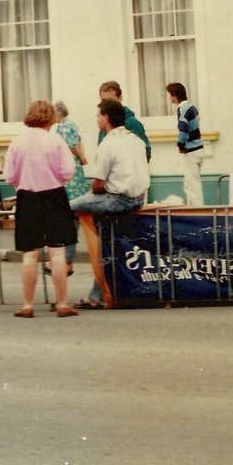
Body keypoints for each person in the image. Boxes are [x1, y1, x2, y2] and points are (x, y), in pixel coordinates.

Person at [70, 98, 151, 309]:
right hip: (138, 198)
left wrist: (92, 195)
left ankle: (66, 260)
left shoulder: (108, 143)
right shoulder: (136, 140)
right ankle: (95, 295)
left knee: (70, 207)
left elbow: (98, 185)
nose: (96, 120)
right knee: (107, 244)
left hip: (117, 200)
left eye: (98, 115)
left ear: (105, 118)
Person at [4, 100, 78, 318]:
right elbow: (67, 172)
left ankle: (27, 305)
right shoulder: (56, 141)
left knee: (30, 254)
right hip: (54, 197)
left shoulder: (17, 142)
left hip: (28, 198)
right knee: (57, 253)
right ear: (50, 118)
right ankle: (62, 303)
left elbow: (9, 176)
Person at [50, 100, 89, 279]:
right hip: (71, 173)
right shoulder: (65, 125)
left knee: (69, 213)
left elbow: (72, 146)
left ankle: (66, 259)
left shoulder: (65, 126)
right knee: (71, 214)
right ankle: (65, 259)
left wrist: (81, 157)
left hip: (70, 174)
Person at [166, 82, 204, 206]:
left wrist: (180, 145)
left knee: (192, 185)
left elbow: (183, 129)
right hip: (199, 148)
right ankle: (196, 210)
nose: (170, 98)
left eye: (170, 95)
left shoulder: (182, 109)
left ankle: (198, 213)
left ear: (175, 97)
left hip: (191, 150)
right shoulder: (191, 106)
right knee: (193, 182)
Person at [98, 80, 151, 162]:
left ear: (120, 98)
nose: (107, 105)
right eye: (104, 101)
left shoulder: (132, 123)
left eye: (111, 100)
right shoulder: (104, 125)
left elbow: (146, 152)